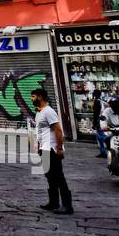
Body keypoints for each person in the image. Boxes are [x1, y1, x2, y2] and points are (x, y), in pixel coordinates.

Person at [31, 87, 73, 215]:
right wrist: (37, 143)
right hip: (44, 149)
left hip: (52, 149)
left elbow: (58, 130)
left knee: (59, 177)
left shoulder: (49, 112)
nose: (31, 99)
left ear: (40, 97)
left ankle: (67, 206)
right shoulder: (39, 112)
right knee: (50, 177)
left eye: (33, 97)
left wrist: (59, 148)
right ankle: (53, 202)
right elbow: (41, 131)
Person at [92, 88, 109, 158]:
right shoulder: (101, 101)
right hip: (101, 119)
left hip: (98, 120)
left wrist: (94, 123)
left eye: (93, 93)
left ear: (95, 94)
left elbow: (96, 113)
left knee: (101, 135)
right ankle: (102, 151)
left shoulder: (96, 102)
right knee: (99, 136)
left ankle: (107, 146)